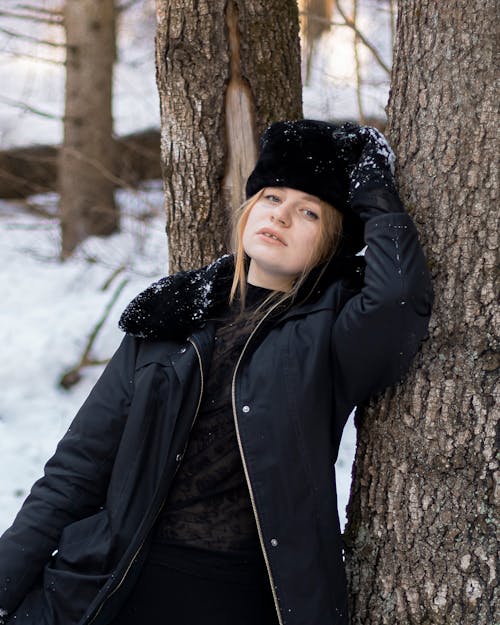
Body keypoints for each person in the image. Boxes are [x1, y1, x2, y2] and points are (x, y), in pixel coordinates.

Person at [0, 120, 433, 625]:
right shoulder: (171, 316)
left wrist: (377, 198)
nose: (282, 216)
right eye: (272, 197)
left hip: (243, 597)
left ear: (332, 243)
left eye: (309, 211)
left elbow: (396, 300)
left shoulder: (330, 332)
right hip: (110, 586)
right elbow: (75, 471)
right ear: (250, 208)